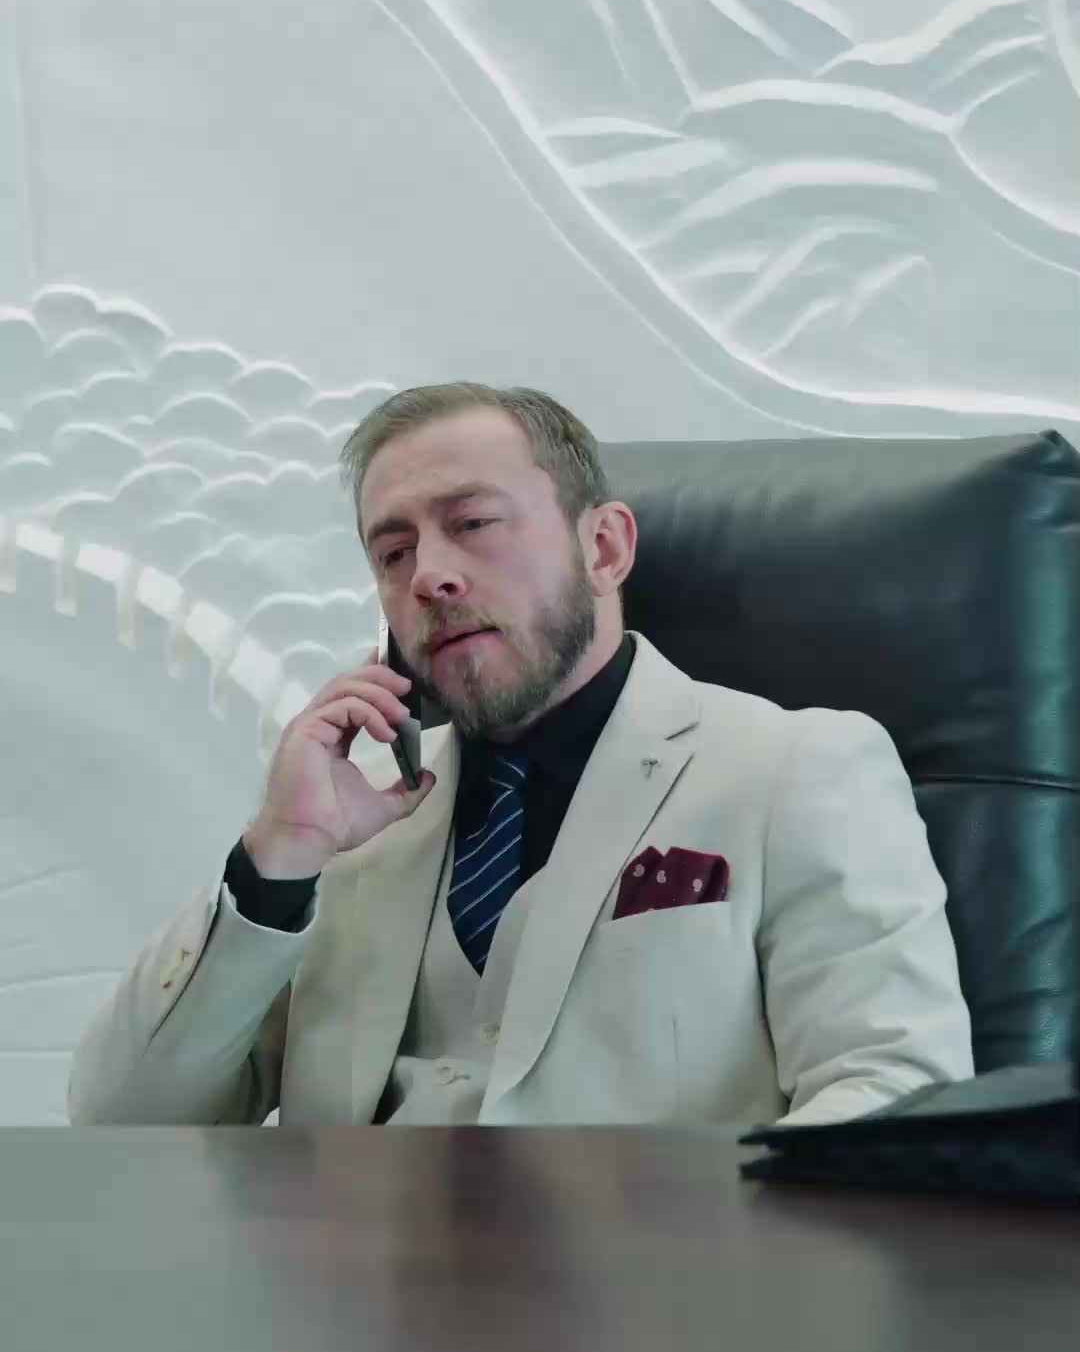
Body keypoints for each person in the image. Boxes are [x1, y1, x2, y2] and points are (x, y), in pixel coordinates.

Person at [68, 383, 973, 1129]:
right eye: (394, 551)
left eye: (473, 523)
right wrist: (279, 856)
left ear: (604, 548)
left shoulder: (799, 770)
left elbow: (892, 1095)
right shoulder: (347, 831)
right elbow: (123, 1121)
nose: (429, 575)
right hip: (350, 1294)